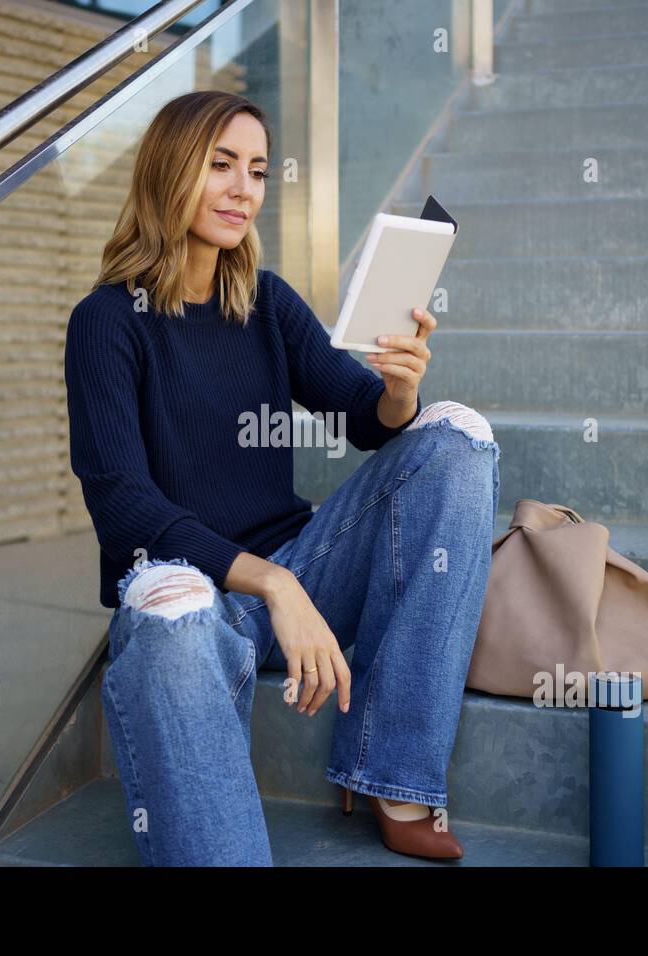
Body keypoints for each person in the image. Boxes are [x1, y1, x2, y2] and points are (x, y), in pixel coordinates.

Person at [64, 89, 500, 866]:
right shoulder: (106, 322)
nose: (243, 190)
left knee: (456, 436)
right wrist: (271, 583)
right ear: (170, 170)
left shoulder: (264, 303)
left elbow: (365, 419)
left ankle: (394, 773)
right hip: (189, 590)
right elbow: (123, 505)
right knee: (169, 605)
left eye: (258, 171)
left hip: (298, 571)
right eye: (221, 165)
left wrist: (399, 389)